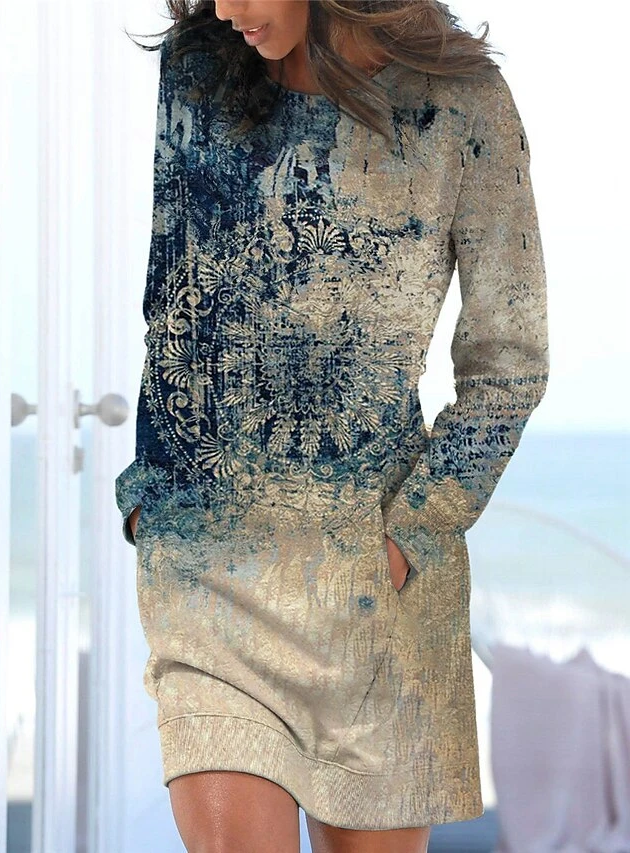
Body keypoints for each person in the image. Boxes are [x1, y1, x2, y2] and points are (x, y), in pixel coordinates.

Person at [116, 1, 550, 850]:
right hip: (210, 582)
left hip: (373, 601)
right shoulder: (199, 70)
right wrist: (155, 503)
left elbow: (510, 362)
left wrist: (407, 537)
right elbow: (172, 310)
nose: (223, 9)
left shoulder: (464, 104)